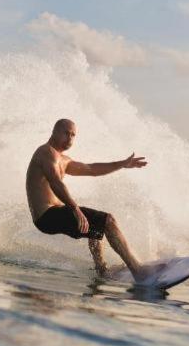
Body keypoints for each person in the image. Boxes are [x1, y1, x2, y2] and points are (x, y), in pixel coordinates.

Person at [25, 118, 153, 280]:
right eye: (66, 133)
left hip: (51, 214)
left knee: (96, 226)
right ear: (54, 132)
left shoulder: (64, 160)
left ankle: (101, 269)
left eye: (73, 135)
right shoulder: (46, 153)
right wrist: (75, 209)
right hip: (47, 215)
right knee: (108, 221)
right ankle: (138, 270)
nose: (70, 139)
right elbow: (56, 183)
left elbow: (92, 169)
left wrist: (122, 164)